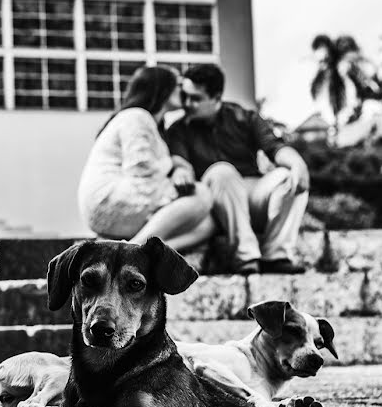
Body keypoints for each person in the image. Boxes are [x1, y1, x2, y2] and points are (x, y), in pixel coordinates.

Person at [165, 63, 308, 275]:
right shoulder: (179, 129)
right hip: (216, 204)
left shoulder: (245, 117)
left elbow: (275, 148)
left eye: (196, 98)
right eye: (185, 96)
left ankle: (276, 255)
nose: (187, 104)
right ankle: (246, 256)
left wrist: (297, 164)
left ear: (216, 97)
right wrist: (181, 172)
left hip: (253, 195)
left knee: (288, 176)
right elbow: (180, 162)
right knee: (221, 171)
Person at [77, 65, 214, 250]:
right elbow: (142, 171)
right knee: (201, 194)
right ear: (162, 89)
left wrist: (179, 168)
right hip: (110, 200)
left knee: (207, 223)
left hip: (127, 200)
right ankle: (133, 249)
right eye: (177, 85)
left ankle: (146, 252)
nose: (182, 91)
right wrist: (175, 165)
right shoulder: (137, 116)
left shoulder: (154, 126)